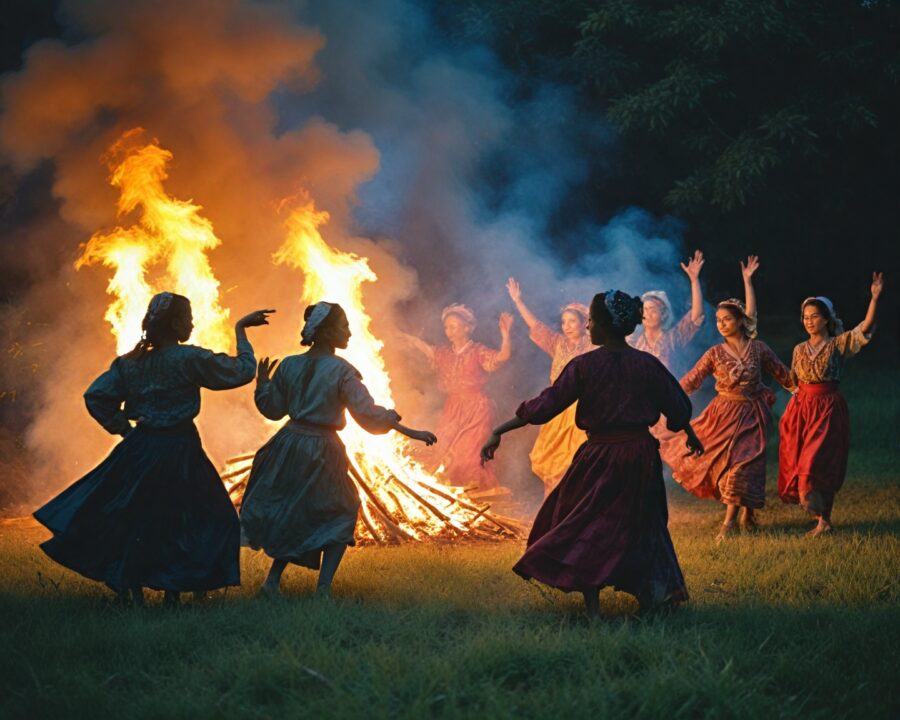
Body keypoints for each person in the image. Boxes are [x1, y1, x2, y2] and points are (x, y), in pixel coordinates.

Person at [34, 293, 273, 606]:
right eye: (187, 318)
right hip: (179, 450)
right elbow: (240, 371)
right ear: (175, 324)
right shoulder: (188, 359)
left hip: (139, 449)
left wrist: (123, 429)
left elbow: (97, 396)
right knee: (206, 519)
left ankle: (133, 591)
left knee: (136, 518)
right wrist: (241, 331)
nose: (192, 323)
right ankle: (173, 592)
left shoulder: (129, 364)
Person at [481, 290, 703, 619]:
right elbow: (677, 405)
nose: (587, 327)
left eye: (592, 320)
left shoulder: (585, 365)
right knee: (642, 522)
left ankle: (595, 608)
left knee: (589, 523)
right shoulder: (646, 364)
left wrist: (500, 429)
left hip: (600, 456)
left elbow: (546, 404)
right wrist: (687, 429)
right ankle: (650, 599)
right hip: (640, 454)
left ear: (607, 325)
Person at [240, 302, 436, 598]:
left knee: (293, 512)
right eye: (344, 326)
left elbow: (273, 409)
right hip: (321, 450)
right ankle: (322, 590)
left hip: (287, 444)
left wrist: (263, 384)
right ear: (328, 332)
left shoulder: (290, 365)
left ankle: (272, 582)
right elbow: (367, 413)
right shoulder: (343, 371)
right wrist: (411, 431)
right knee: (341, 512)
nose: (349, 332)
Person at [660, 257, 794, 541]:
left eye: (727, 319)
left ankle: (730, 523)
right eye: (718, 320)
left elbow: (786, 376)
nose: (721, 324)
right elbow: (692, 380)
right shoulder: (714, 353)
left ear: (741, 321)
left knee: (746, 465)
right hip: (722, 415)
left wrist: (809, 390)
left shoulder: (759, 348)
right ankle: (743, 514)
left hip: (753, 413)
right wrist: (664, 395)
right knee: (727, 467)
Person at [778, 273, 884, 536]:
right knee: (804, 459)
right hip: (802, 408)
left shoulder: (838, 344)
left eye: (814, 316)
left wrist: (874, 298)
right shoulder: (799, 349)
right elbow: (792, 380)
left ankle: (816, 509)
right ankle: (824, 521)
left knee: (817, 462)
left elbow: (866, 328)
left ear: (826, 318)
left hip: (827, 409)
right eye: (805, 317)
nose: (809, 321)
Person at [404, 304, 513, 490]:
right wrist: (409, 339)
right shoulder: (445, 353)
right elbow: (428, 350)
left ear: (467, 328)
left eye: (454, 326)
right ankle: (452, 493)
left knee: (468, 454)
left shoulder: (477, 351)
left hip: (476, 408)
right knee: (444, 449)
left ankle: (474, 495)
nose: (449, 331)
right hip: (453, 406)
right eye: (446, 327)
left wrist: (505, 334)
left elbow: (502, 357)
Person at [506, 277, 592, 495]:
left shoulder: (594, 345)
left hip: (582, 410)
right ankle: (556, 502)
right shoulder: (558, 343)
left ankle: (580, 501)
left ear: (585, 323)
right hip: (558, 408)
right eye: (564, 322)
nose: (567, 326)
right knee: (551, 457)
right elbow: (536, 326)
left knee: (577, 457)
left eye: (572, 321)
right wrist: (518, 301)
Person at [628, 250, 706, 378]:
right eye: (645, 309)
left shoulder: (673, 337)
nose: (647, 314)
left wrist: (694, 280)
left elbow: (696, 316)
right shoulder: (635, 340)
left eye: (653, 310)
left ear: (663, 315)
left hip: (669, 394)